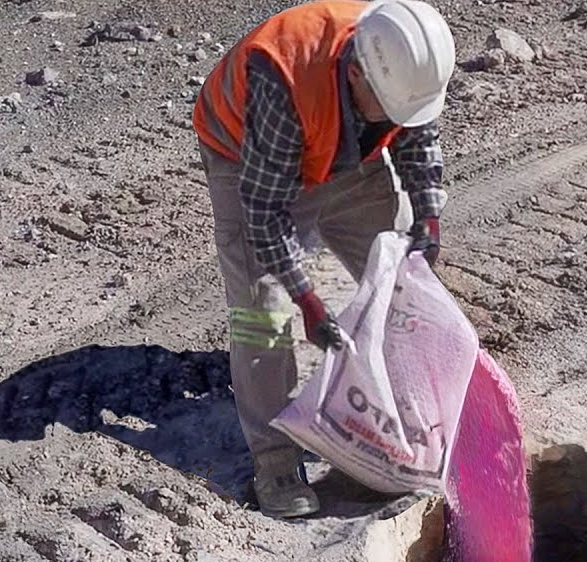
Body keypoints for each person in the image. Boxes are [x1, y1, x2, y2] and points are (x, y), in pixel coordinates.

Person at [192, 0, 456, 517]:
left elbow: (417, 134)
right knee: (261, 316)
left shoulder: (400, 55)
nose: (399, 116)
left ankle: (411, 421)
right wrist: (308, 299)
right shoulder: (281, 78)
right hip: (246, 156)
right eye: (389, 108)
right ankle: (276, 465)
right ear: (356, 74)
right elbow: (266, 215)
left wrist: (428, 214)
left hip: (341, 150)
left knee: (402, 280)